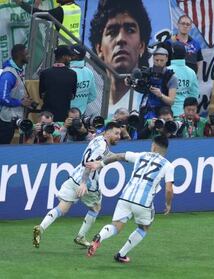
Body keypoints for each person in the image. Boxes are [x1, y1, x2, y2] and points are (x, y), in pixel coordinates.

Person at [32, 121, 121, 249]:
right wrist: (84, 183)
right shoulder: (102, 147)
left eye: (119, 133)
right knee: (95, 208)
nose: (119, 136)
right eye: (116, 133)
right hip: (88, 182)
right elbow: (90, 164)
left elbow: (102, 155)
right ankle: (81, 237)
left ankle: (40, 227)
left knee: (62, 207)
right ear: (107, 132)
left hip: (74, 176)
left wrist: (118, 157)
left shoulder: (98, 139)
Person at [86, 135, 174, 263]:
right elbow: (169, 189)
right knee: (143, 228)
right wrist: (168, 204)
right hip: (143, 203)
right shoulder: (168, 165)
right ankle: (121, 254)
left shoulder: (141, 155)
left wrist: (101, 163)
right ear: (165, 149)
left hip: (125, 197)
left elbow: (118, 156)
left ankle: (100, 236)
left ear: (154, 146)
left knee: (115, 227)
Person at [89, 0, 152, 116]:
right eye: (112, 32)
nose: (120, 39)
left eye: (130, 30)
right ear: (99, 49)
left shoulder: (147, 98)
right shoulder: (91, 103)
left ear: (142, 46)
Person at [0, 44, 33, 144]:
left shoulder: (17, 71)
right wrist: (20, 102)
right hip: (7, 119)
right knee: (3, 147)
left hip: (16, 117)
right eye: (27, 54)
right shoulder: (8, 75)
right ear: (20, 55)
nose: (29, 56)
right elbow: (2, 98)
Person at [137, 47, 177, 125]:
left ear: (166, 59)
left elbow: (171, 101)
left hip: (162, 113)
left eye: (161, 60)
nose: (159, 63)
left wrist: (161, 95)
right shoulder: (147, 73)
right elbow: (141, 89)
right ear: (153, 59)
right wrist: (132, 84)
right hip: (146, 110)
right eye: (156, 60)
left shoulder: (171, 77)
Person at [39, 45, 77, 122]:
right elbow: (72, 96)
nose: (70, 59)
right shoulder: (72, 74)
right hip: (63, 115)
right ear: (64, 57)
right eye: (69, 56)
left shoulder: (44, 73)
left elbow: (41, 95)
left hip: (47, 115)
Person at [15, 0, 81, 43]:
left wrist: (21, 3)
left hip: (64, 48)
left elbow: (38, 13)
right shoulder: (77, 7)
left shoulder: (61, 11)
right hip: (75, 44)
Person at [168, 43, 199, 117]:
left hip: (168, 113)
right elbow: (194, 94)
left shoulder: (167, 70)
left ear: (172, 54)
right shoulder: (191, 72)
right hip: (185, 113)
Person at [69, 44, 97, 114]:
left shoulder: (67, 72)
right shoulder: (89, 72)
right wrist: (81, 104)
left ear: (74, 56)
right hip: (81, 113)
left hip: (66, 114)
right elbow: (93, 95)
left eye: (69, 53)